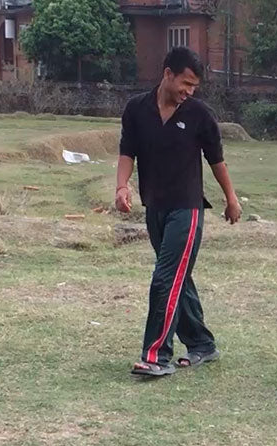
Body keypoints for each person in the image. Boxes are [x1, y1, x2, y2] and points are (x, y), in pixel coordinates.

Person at [115, 46, 241, 376]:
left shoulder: (200, 115)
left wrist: (231, 198)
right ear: (167, 74)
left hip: (187, 209)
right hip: (154, 207)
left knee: (165, 278)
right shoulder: (136, 109)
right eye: (185, 83)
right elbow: (127, 151)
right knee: (177, 279)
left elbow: (217, 161)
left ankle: (156, 355)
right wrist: (121, 186)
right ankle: (202, 343)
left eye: (194, 87)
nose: (188, 92)